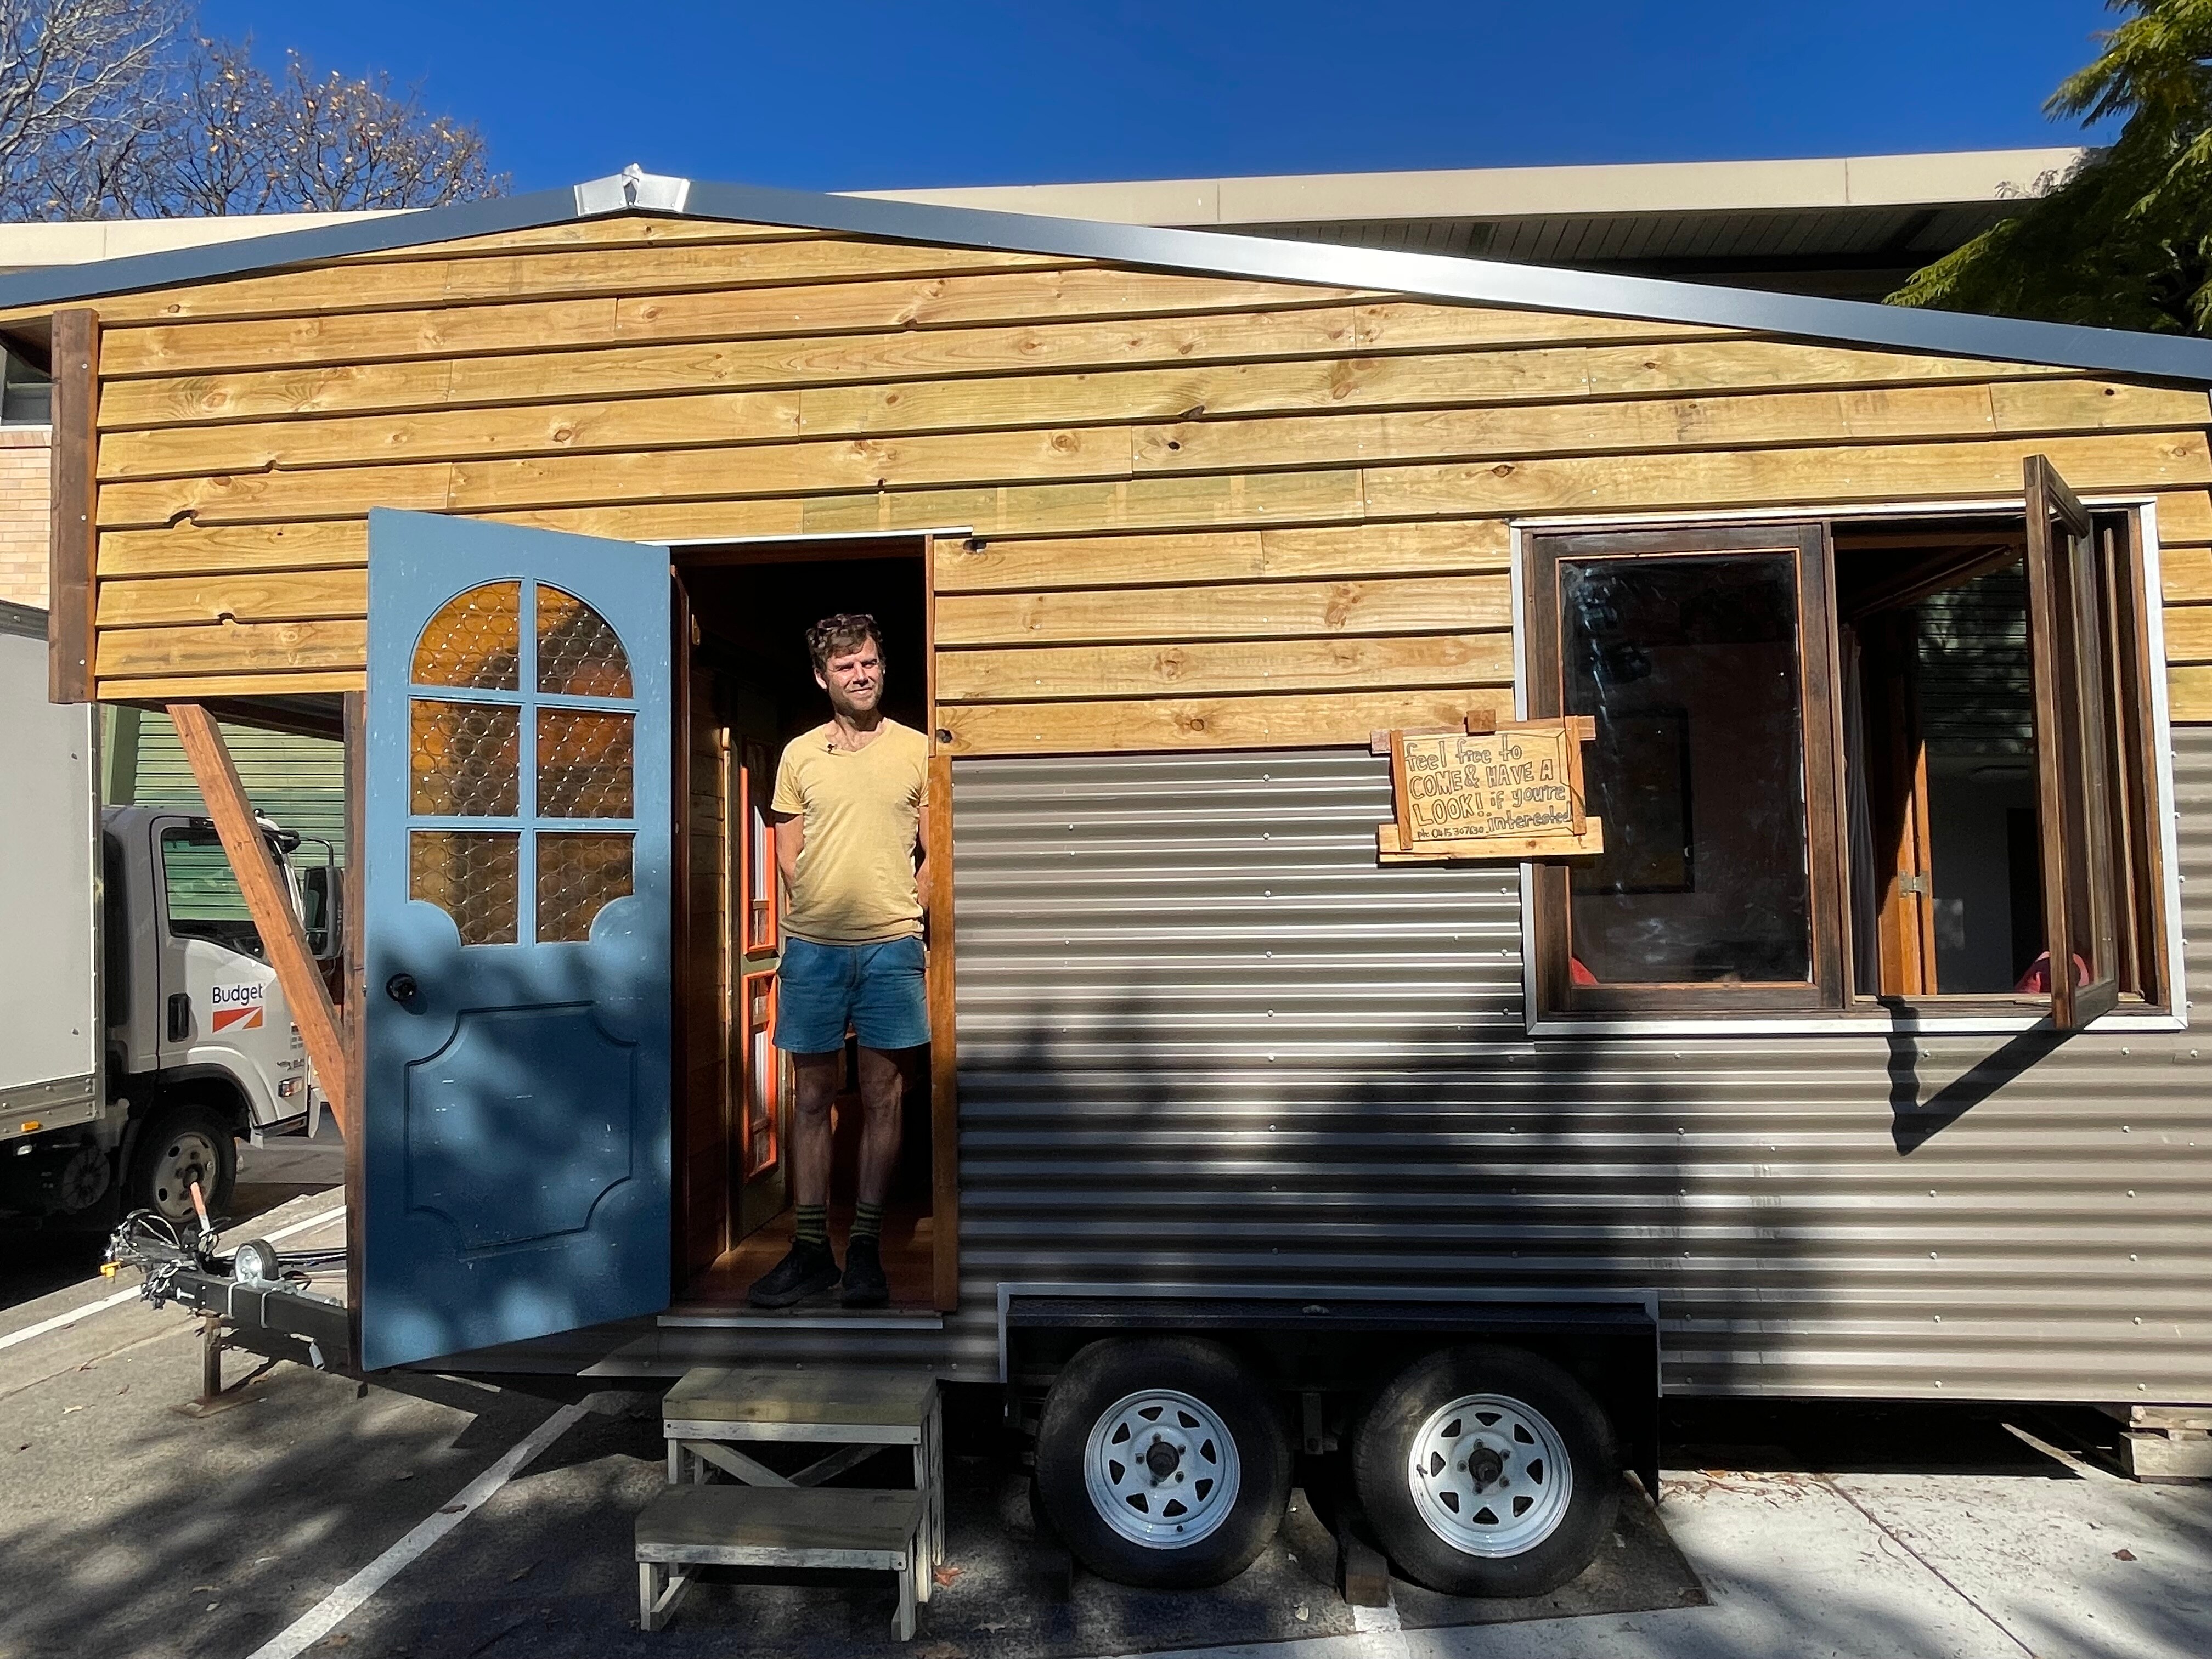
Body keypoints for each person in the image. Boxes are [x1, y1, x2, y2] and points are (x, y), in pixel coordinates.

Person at [747, 613, 930, 1310]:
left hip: (891, 948)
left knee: (885, 1096)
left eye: (871, 662)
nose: (861, 674)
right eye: (846, 666)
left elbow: (937, 850)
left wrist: (903, 908)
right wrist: (824, 914)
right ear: (823, 677)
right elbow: (789, 853)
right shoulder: (800, 755)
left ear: (883, 669)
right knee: (813, 1100)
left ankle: (866, 1252)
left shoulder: (916, 751)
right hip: (815, 952)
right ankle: (811, 1251)